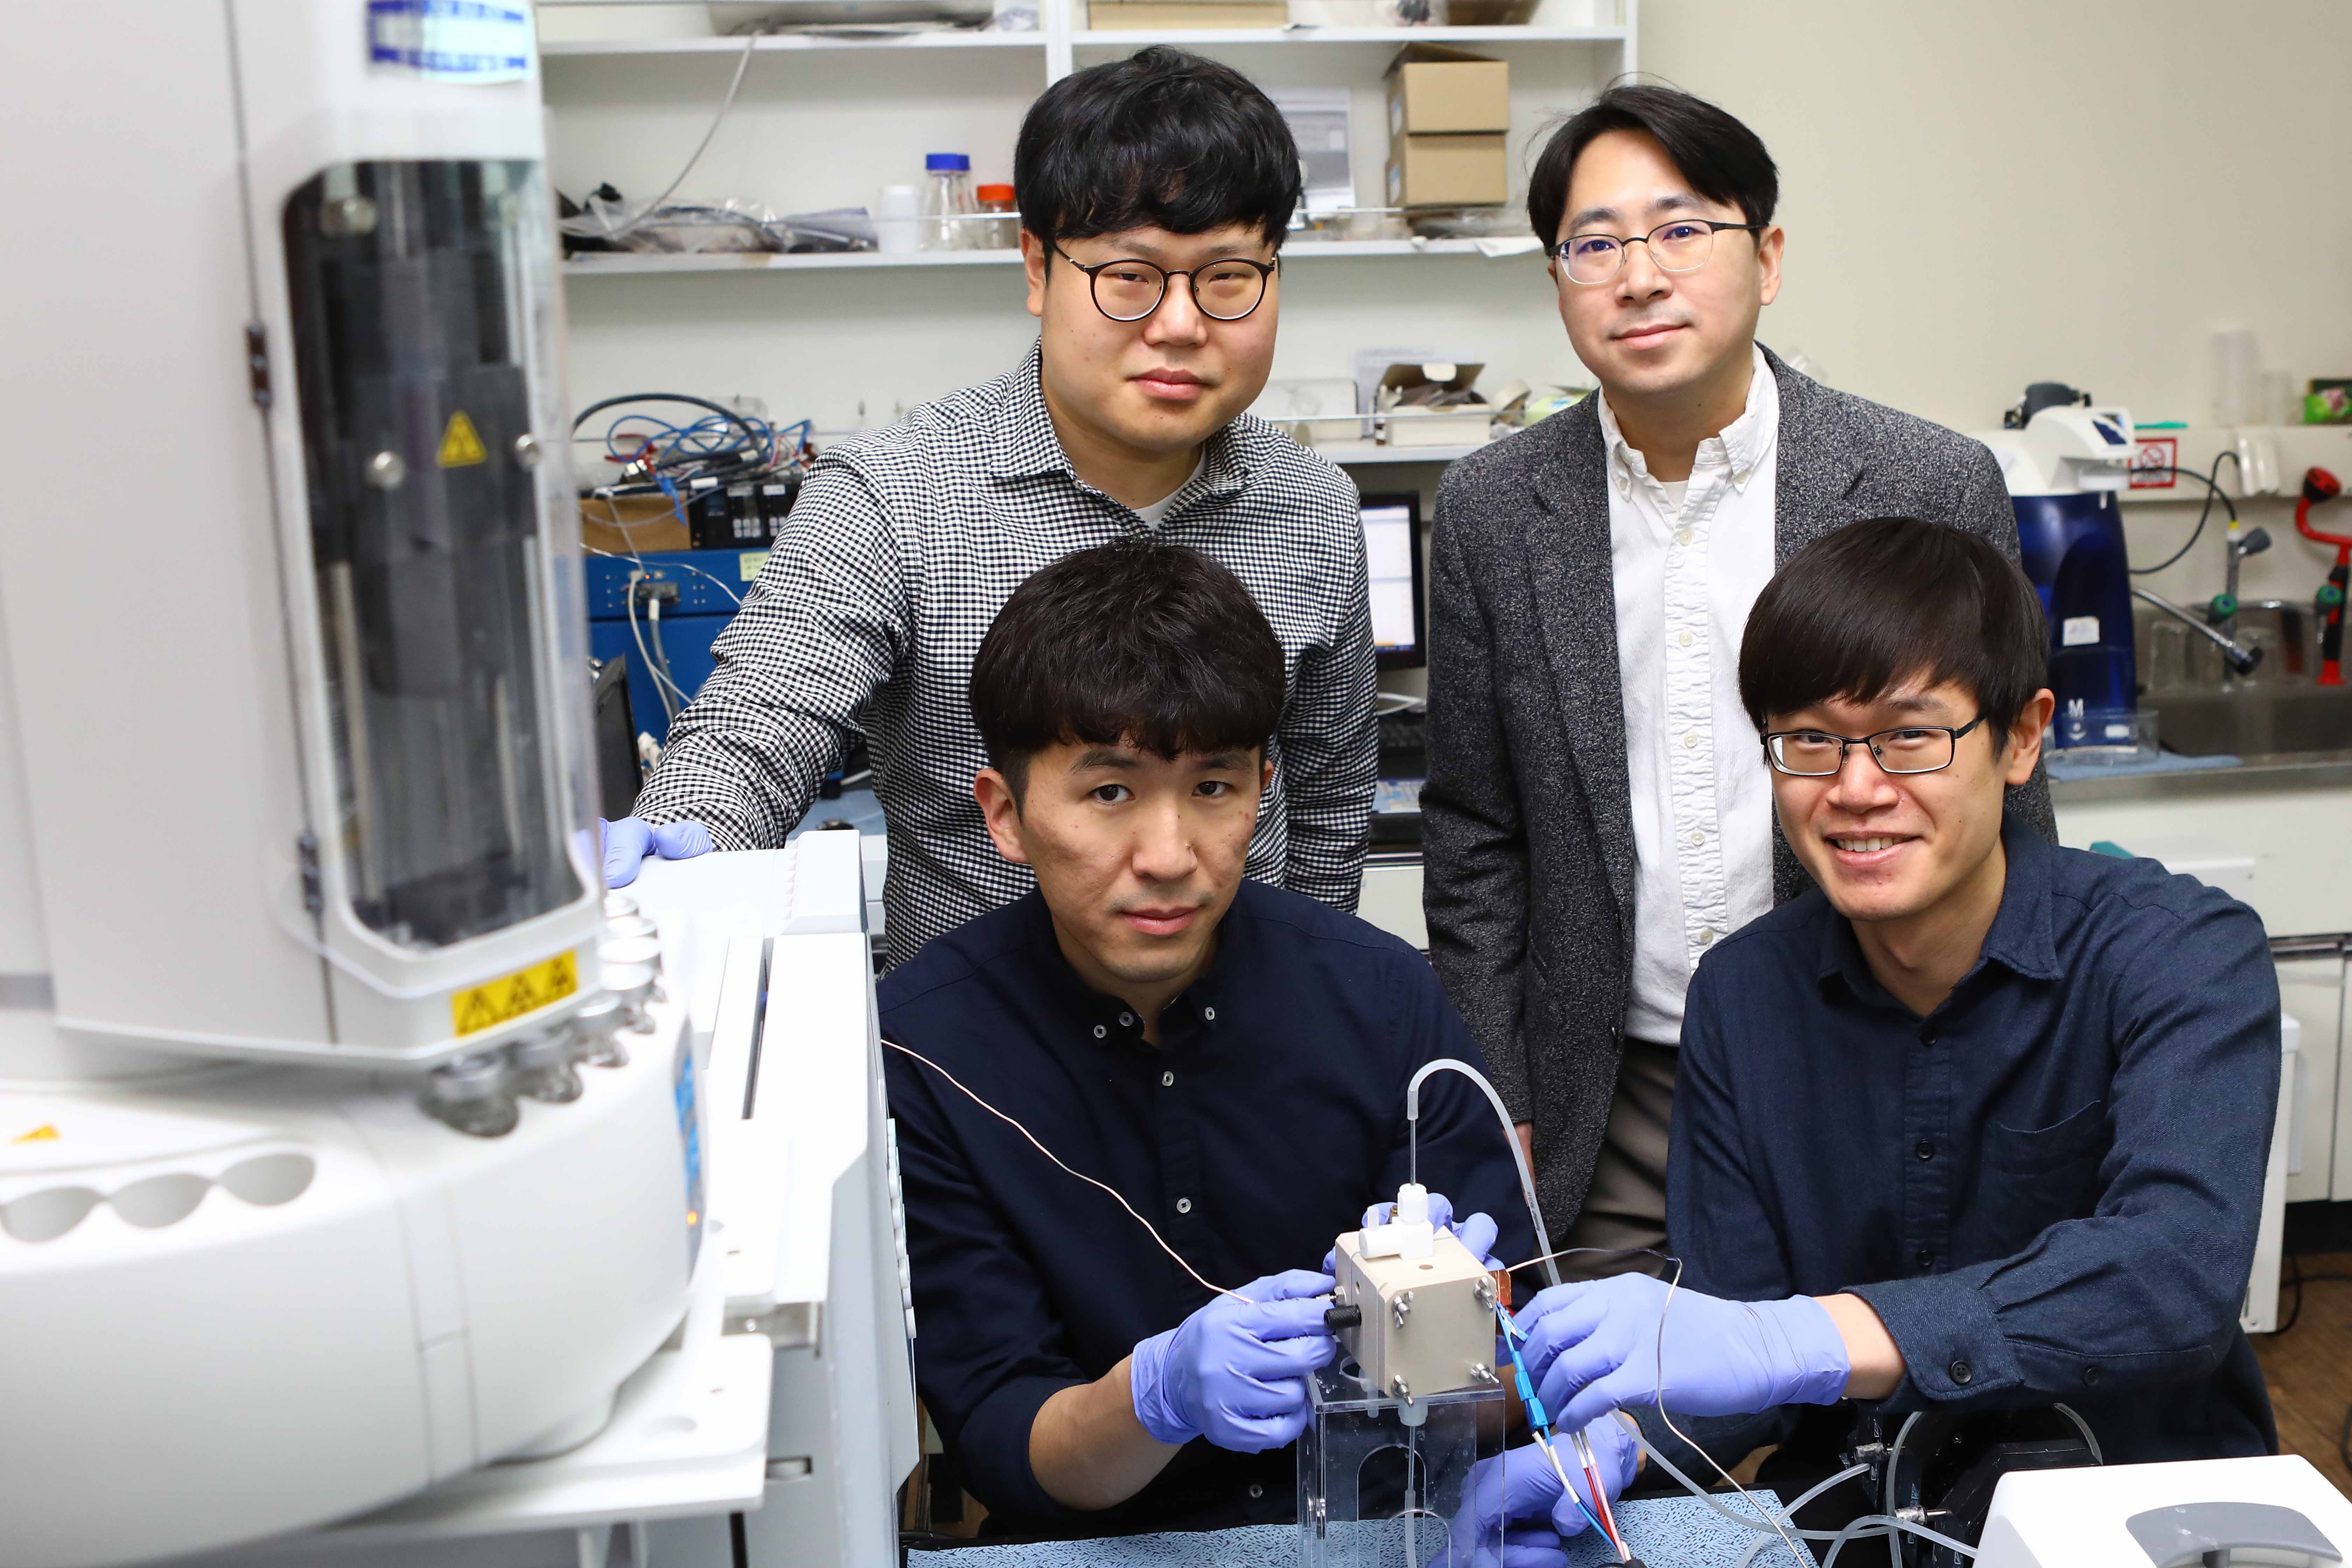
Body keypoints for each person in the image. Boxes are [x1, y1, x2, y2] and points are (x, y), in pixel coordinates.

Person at [1502, 518, 2278, 1518]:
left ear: (2024, 737)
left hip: (2140, 1512)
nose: (1857, 790)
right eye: (1811, 741)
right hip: (1863, 1518)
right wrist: (1615, 1445)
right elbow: (1735, 1359)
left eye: (1911, 735)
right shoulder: (1743, 997)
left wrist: (1809, 1338)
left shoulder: (2178, 952)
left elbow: (2173, 1276)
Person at [1421, 83, 2056, 1257]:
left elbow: (2009, 806)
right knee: (1612, 1418)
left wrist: (2008, 1064)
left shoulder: (1926, 478)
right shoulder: (1494, 511)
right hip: (1608, 1090)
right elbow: (1475, 837)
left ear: (1766, 257)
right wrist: (1491, 1091)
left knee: (1884, 1405)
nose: (1639, 276)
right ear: (1558, 279)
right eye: (1593, 245)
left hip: (1878, 1045)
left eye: (1680, 230)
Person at [604, 48, 1376, 967]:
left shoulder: (1315, 507)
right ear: (1037, 270)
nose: (1180, 324)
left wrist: (1318, 993)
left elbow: (1329, 801)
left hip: (1243, 1051)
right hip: (970, 1071)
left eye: (1227, 277)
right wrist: (680, 851)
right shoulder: (892, 495)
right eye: (1130, 276)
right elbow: (756, 731)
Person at [878, 539, 1580, 1539]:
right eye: (1109, 792)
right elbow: (1003, 1439)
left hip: (1395, 1527)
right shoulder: (924, 1053)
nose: (1170, 858)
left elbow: (1512, 1376)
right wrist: (1153, 1396)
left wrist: (1483, 1350)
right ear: (1007, 814)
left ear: (1264, 787)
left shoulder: (1379, 997)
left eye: (1213, 788)